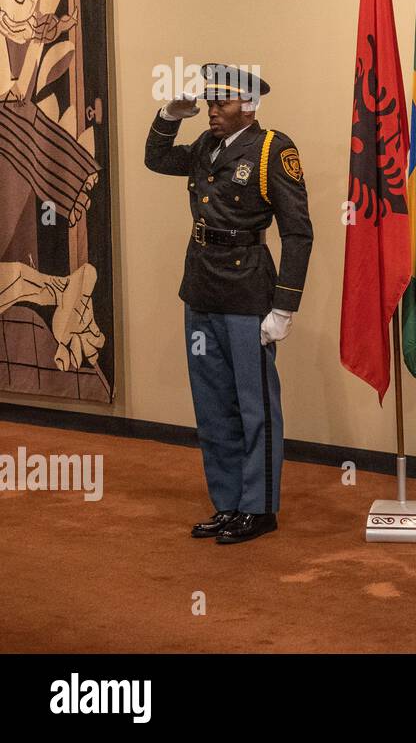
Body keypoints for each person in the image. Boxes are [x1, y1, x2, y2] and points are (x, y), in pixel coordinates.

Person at [145, 63, 312, 544]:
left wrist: (284, 307)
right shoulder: (203, 148)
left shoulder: (271, 150)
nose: (214, 110)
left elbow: (298, 233)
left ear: (250, 106)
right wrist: (168, 116)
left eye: (224, 102)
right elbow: (156, 159)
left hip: (246, 292)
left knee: (254, 404)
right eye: (211, 102)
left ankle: (259, 508)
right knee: (212, 403)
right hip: (200, 286)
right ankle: (228, 503)